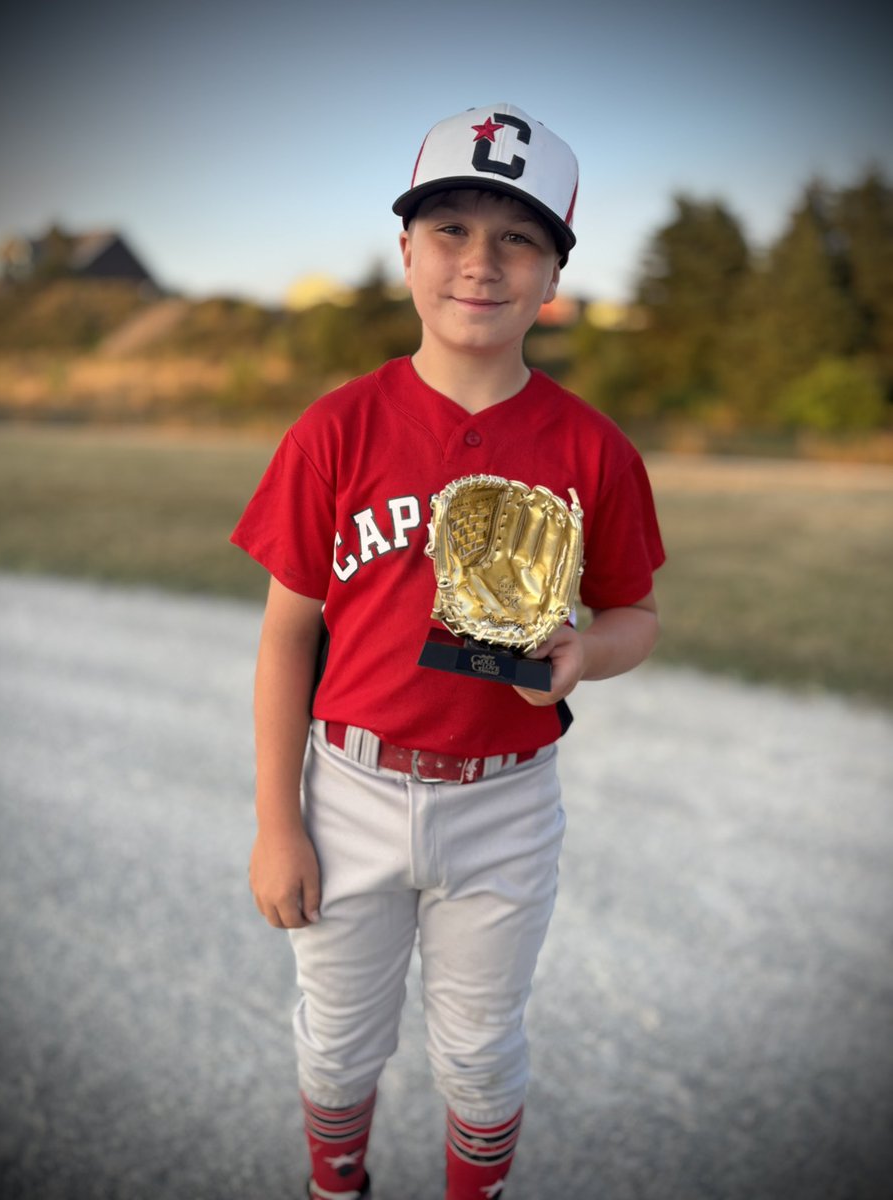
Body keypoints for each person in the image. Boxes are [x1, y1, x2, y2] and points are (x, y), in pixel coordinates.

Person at [231, 102, 665, 1200]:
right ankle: (340, 1188)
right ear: (406, 252)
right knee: (337, 1041)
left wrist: (584, 655)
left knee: (479, 1054)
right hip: (350, 785)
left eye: (518, 237)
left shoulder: (592, 448)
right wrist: (278, 821)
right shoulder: (338, 427)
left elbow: (635, 617)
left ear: (556, 272)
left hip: (505, 799)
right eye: (452, 230)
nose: (481, 262)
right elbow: (289, 636)